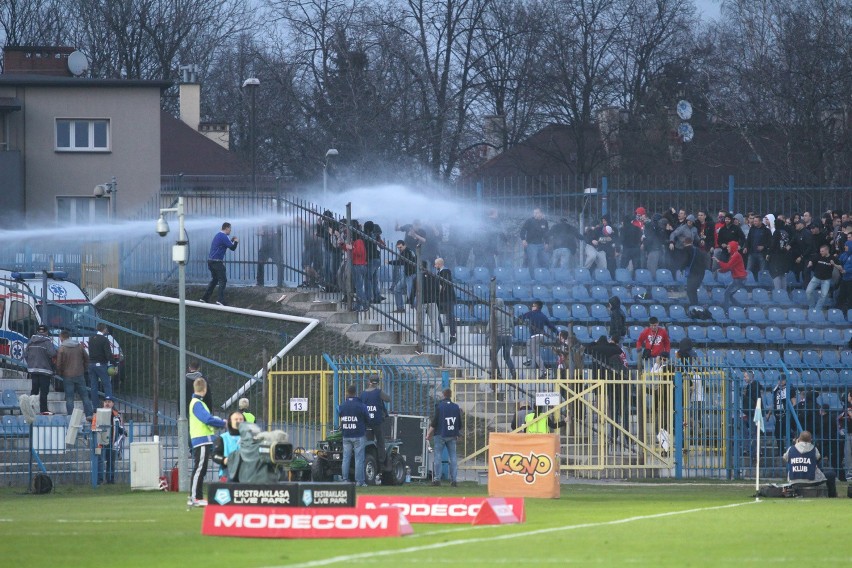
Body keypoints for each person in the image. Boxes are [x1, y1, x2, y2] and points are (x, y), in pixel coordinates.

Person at [188, 377, 226, 507]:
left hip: (202, 439)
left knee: (201, 469)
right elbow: (207, 419)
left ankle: (197, 497)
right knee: (199, 468)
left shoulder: (196, 402)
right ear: (204, 389)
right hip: (201, 439)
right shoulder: (197, 403)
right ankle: (194, 497)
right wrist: (223, 423)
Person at [783, 430, 837, 497]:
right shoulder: (814, 449)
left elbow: (785, 458)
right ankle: (832, 496)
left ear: (798, 439)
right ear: (810, 440)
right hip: (811, 481)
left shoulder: (791, 449)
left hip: (794, 481)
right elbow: (818, 458)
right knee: (831, 474)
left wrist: (796, 445)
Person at [426, 388, 462, 487]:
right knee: (453, 457)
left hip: (440, 434)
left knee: (438, 456)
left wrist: (428, 434)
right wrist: (457, 433)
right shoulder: (456, 407)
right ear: (450, 395)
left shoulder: (439, 406)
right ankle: (454, 480)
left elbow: (434, 422)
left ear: (443, 395)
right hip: (452, 435)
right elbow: (459, 423)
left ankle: (437, 479)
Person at [55, 329, 93, 420]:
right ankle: (89, 415)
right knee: (85, 396)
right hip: (80, 374)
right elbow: (87, 358)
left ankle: (70, 417)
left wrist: (60, 373)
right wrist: (83, 369)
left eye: (60, 337)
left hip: (67, 376)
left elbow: (59, 364)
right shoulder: (79, 346)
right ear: (69, 337)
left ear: (62, 338)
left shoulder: (62, 348)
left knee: (69, 398)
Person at [200, 222, 239, 305]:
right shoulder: (223, 236)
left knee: (215, 280)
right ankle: (220, 300)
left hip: (211, 261)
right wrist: (236, 241)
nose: (230, 230)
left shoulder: (218, 235)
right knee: (223, 280)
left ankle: (204, 298)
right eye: (230, 228)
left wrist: (231, 240)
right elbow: (232, 248)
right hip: (217, 262)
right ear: (226, 228)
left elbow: (225, 244)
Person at [338, 384, 369, 486]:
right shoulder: (361, 405)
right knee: (359, 459)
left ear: (347, 392)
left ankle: (344, 480)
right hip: (358, 434)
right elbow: (368, 418)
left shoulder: (342, 406)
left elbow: (340, 415)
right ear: (355, 393)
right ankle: (359, 481)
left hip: (346, 435)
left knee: (346, 458)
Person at [519, 300, 558, 379]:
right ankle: (530, 359)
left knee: (536, 355)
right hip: (541, 336)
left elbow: (521, 317)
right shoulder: (543, 315)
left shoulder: (531, 313)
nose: (531, 307)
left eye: (533, 306)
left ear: (536, 307)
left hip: (535, 336)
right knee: (530, 346)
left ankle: (544, 371)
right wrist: (557, 333)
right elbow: (550, 326)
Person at [24, 324, 57, 415]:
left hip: (33, 369)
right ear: (46, 332)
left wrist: (31, 364)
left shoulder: (31, 341)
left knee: (34, 390)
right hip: (45, 370)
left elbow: (25, 354)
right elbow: (53, 353)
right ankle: (43, 409)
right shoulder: (47, 342)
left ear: (38, 331)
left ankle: (31, 408)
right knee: (44, 391)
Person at [94, 396, 125, 485]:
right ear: (103, 403)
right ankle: (99, 480)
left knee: (111, 461)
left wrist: (123, 432)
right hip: (99, 442)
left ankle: (110, 480)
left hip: (112, 441)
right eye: (105, 401)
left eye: (109, 401)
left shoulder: (116, 415)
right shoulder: (97, 414)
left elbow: (121, 428)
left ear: (112, 404)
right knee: (99, 461)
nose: (107, 403)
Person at [360, 377, 391, 468]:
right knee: (380, 441)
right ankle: (381, 461)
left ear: (369, 382)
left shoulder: (363, 394)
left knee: (369, 442)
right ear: (377, 383)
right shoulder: (379, 392)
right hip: (377, 421)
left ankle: (370, 459)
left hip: (367, 422)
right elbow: (388, 399)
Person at [211, 411, 245, 481]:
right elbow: (215, 455)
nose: (239, 421)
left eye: (241, 419)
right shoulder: (222, 438)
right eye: (236, 419)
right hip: (227, 471)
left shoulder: (250, 437)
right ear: (230, 422)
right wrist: (225, 460)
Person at [87, 323, 114, 410]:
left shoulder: (91, 339)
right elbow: (108, 354)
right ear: (104, 329)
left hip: (91, 364)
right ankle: (108, 405)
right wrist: (114, 363)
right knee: (107, 385)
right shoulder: (104, 340)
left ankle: (95, 407)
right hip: (101, 365)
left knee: (93, 387)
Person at [805, 244, 840, 311]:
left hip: (826, 280)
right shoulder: (818, 256)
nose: (821, 252)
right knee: (808, 292)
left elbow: (840, 268)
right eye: (820, 251)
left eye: (822, 251)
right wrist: (810, 262)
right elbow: (811, 259)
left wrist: (834, 264)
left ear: (827, 251)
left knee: (823, 296)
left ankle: (817, 309)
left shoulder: (833, 258)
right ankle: (811, 307)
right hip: (816, 278)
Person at [713, 240, 747, 308]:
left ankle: (727, 310)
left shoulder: (736, 255)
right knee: (729, 294)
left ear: (733, 247)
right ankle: (742, 308)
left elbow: (727, 266)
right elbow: (729, 268)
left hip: (739, 279)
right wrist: (721, 271)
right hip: (738, 279)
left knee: (727, 293)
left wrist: (718, 261)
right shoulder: (733, 255)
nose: (727, 248)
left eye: (729, 247)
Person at [489, 298, 516, 381]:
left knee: (492, 355)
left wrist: (488, 335)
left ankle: (498, 373)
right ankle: (513, 372)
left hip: (499, 336)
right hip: (508, 336)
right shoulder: (507, 312)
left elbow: (490, 325)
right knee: (507, 356)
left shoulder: (495, 312)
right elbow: (512, 324)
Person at [388, 240, 416, 313]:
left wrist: (389, 262)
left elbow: (401, 262)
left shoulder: (406, 252)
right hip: (408, 274)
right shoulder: (408, 251)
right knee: (397, 289)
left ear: (404, 245)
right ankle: (400, 308)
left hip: (410, 274)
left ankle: (416, 307)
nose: (399, 249)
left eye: (400, 247)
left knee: (410, 292)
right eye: (398, 248)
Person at [519, 207, 549, 277]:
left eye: (537, 213)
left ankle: (544, 278)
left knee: (545, 261)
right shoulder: (529, 221)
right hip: (531, 245)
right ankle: (533, 279)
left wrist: (547, 243)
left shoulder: (545, 222)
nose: (535, 214)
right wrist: (523, 240)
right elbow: (522, 230)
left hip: (541, 245)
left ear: (541, 213)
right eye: (534, 213)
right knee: (533, 262)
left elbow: (547, 234)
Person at [681, 237, 709, 306]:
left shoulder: (686, 249)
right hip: (701, 273)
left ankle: (694, 306)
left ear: (684, 243)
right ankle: (695, 306)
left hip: (693, 274)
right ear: (692, 242)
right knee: (693, 291)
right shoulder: (698, 250)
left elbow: (685, 260)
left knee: (690, 291)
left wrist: (681, 268)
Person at [434, 257, 457, 345]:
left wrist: (439, 291)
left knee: (450, 316)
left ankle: (452, 335)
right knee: (436, 314)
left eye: (435, 264)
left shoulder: (446, 271)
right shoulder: (439, 272)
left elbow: (443, 284)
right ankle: (441, 329)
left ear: (439, 264)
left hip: (447, 298)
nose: (434, 266)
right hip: (441, 298)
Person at [740, 370, 761, 462]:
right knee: (751, 432)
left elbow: (753, 400)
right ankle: (752, 450)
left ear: (750, 376)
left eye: (745, 376)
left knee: (753, 433)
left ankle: (755, 452)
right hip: (750, 412)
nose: (744, 378)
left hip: (753, 412)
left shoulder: (754, 386)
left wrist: (744, 396)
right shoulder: (750, 386)